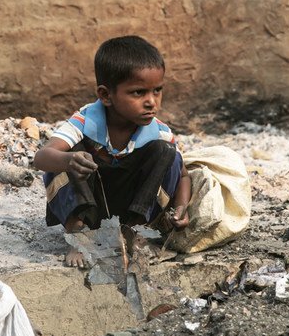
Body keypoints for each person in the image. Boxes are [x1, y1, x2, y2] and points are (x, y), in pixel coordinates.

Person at [33, 36, 191, 267]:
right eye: (138, 93)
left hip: (129, 208)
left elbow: (183, 174)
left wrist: (181, 207)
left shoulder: (159, 132)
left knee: (168, 153)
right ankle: (79, 233)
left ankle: (134, 232)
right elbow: (41, 158)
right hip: (90, 204)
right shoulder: (84, 121)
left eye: (157, 90)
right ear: (106, 95)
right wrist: (69, 160)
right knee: (64, 156)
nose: (151, 102)